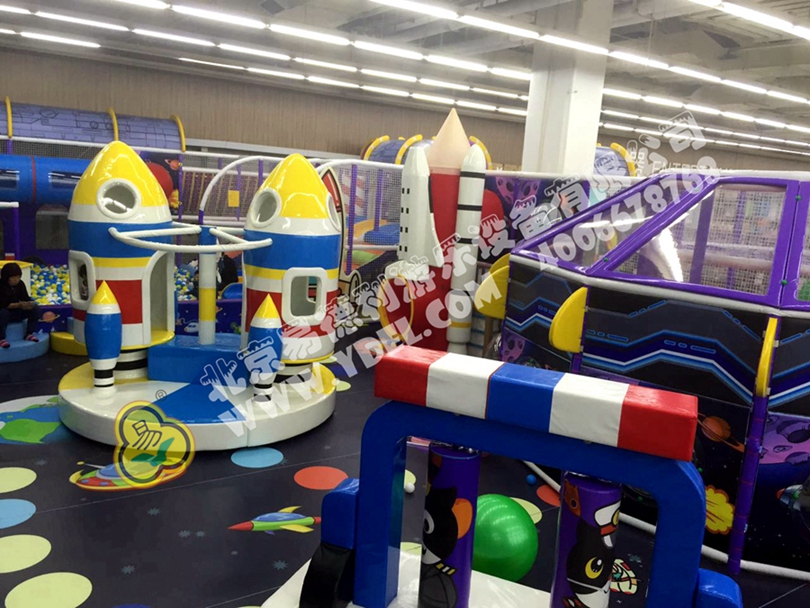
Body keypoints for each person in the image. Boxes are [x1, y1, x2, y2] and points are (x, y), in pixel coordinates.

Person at [0, 263, 40, 348]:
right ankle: (1, 338)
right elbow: (2, 304)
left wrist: (29, 304)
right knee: (3, 313)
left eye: (18, 277)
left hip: (16, 313)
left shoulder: (20, 284)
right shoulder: (1, 285)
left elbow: (25, 298)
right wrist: (19, 305)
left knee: (35, 309)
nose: (16, 280)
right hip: (3, 313)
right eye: (13, 277)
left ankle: (29, 333)